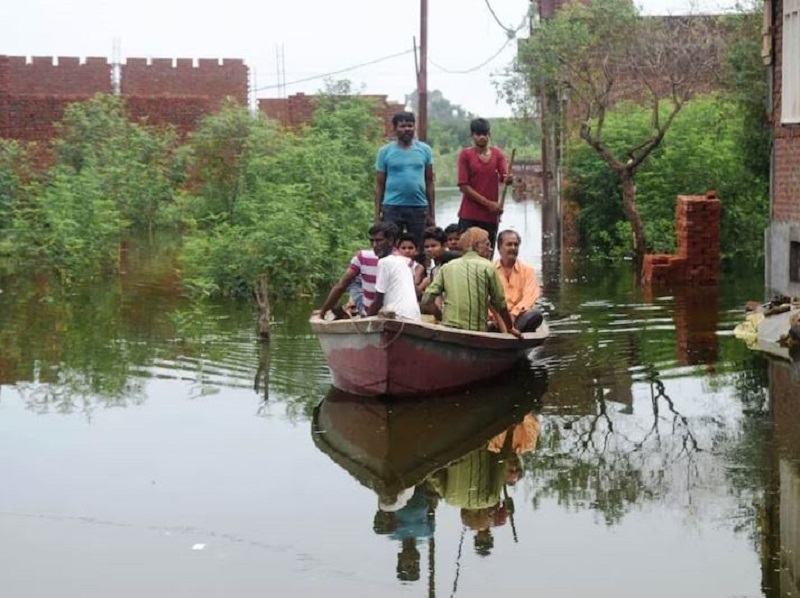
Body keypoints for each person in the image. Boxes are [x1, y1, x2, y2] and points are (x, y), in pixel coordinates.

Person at [421, 227, 519, 335]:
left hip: (448, 329)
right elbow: (500, 304)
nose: (490, 249)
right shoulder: (488, 267)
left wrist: (439, 316)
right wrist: (510, 328)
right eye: (487, 245)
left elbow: (426, 299)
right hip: (477, 332)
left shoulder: (446, 267)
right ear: (476, 246)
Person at [375, 112, 435, 252]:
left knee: (419, 249)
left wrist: (432, 214)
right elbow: (379, 185)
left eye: (410, 125)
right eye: (402, 126)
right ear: (395, 129)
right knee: (390, 249)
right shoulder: (385, 152)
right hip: (392, 207)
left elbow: (429, 181)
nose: (407, 129)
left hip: (418, 207)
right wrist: (377, 215)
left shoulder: (424, 150)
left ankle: (419, 273)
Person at [456, 118, 511, 252]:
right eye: (478, 134)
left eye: (485, 134)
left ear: (489, 135)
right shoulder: (465, 155)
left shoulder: (497, 154)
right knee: (466, 255)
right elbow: (464, 186)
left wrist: (509, 179)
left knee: (487, 255)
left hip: (490, 216)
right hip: (469, 215)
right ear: (472, 136)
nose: (482, 137)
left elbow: (505, 176)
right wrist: (488, 203)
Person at [367, 223, 422, 320]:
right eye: (372, 241)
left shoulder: (384, 262)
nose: (374, 245)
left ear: (390, 241)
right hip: (414, 316)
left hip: (398, 317)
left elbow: (378, 300)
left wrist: (366, 318)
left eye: (379, 240)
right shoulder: (403, 261)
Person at [493, 230, 544, 333]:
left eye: (516, 245)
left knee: (535, 315)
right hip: (496, 318)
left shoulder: (528, 271)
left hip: (519, 318)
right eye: (509, 244)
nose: (513, 248)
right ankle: (506, 331)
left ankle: (510, 332)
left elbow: (530, 297)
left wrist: (513, 314)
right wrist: (497, 317)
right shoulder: (490, 269)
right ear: (499, 248)